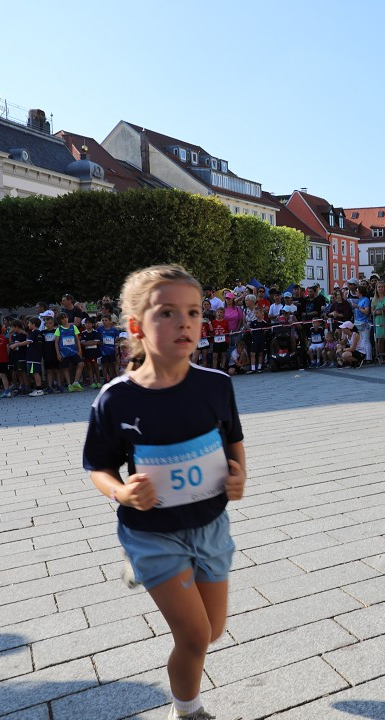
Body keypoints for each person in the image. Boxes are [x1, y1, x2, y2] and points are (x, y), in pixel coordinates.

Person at [83, 265, 245, 720]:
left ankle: (144, 572)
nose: (185, 323)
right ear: (137, 326)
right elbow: (98, 466)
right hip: (152, 531)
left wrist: (239, 477)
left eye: (193, 312)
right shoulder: (115, 399)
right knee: (193, 637)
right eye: (168, 312)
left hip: (210, 525)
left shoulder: (217, 384)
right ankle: (187, 712)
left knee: (212, 631)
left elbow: (233, 440)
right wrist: (121, 492)